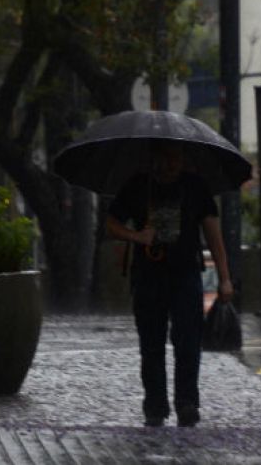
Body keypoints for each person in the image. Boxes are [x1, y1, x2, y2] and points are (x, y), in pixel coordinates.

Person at [105, 140, 233, 428]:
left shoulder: (195, 187)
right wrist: (137, 236)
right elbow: (111, 224)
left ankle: (187, 402)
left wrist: (224, 277)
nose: (172, 163)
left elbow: (213, 235)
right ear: (154, 157)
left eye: (177, 157)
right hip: (147, 276)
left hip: (186, 274)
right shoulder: (138, 185)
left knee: (188, 341)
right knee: (151, 344)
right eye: (166, 156)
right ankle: (155, 405)